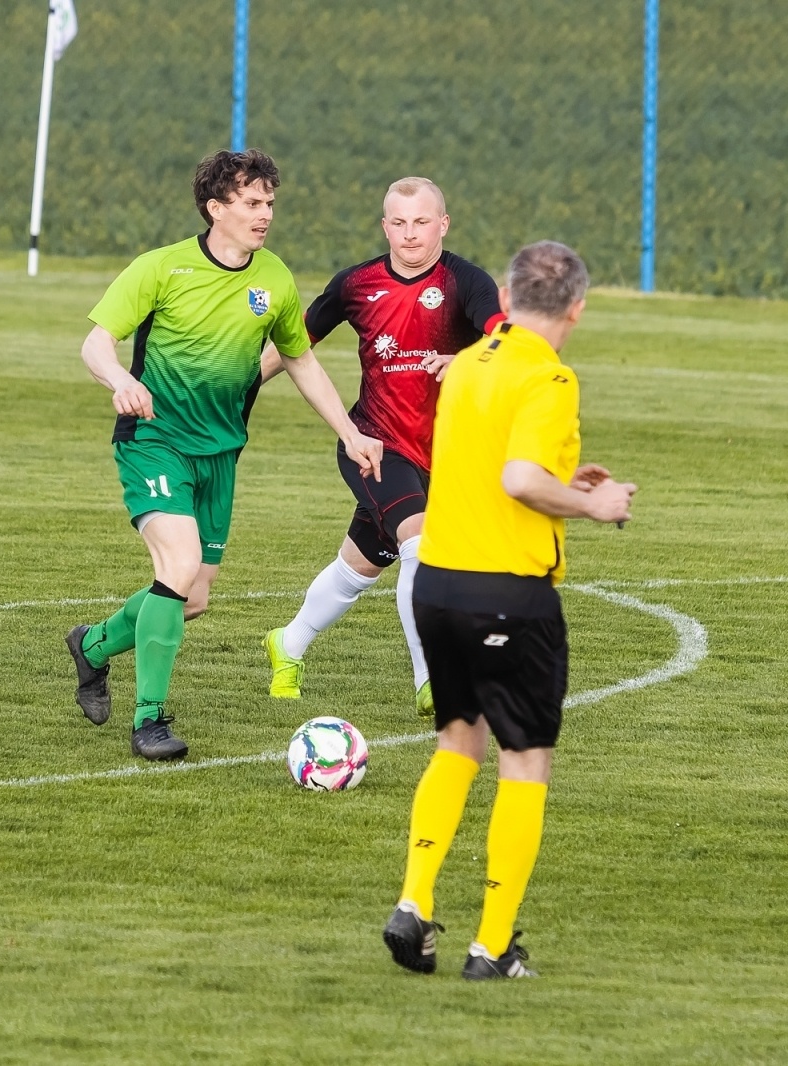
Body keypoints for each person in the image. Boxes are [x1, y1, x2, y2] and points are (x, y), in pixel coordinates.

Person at [66, 149, 384, 762]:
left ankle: (95, 646)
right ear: (216, 209)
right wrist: (120, 382)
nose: (264, 214)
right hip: (154, 442)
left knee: (194, 596)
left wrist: (348, 431)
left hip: (221, 455)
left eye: (269, 202)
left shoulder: (275, 279)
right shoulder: (161, 269)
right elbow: (97, 343)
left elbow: (299, 358)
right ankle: (150, 720)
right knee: (178, 563)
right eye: (250, 203)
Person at [381, 241, 636, 980]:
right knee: (524, 761)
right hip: (507, 595)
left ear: (504, 293)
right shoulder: (548, 375)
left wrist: (565, 479)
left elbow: (496, 464)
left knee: (458, 743)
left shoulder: (470, 361)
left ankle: (414, 901)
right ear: (578, 310)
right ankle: (491, 947)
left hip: (438, 585)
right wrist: (591, 502)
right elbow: (521, 478)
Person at [261, 177, 503, 713]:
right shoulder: (356, 284)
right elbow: (295, 345)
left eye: (421, 222)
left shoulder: (467, 282)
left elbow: (504, 338)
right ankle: (432, 679)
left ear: (443, 224)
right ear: (384, 225)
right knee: (421, 545)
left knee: (359, 568)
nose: (409, 234)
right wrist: (241, 388)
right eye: (398, 222)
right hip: (372, 443)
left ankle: (289, 642)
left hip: (445, 457)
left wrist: (463, 359)